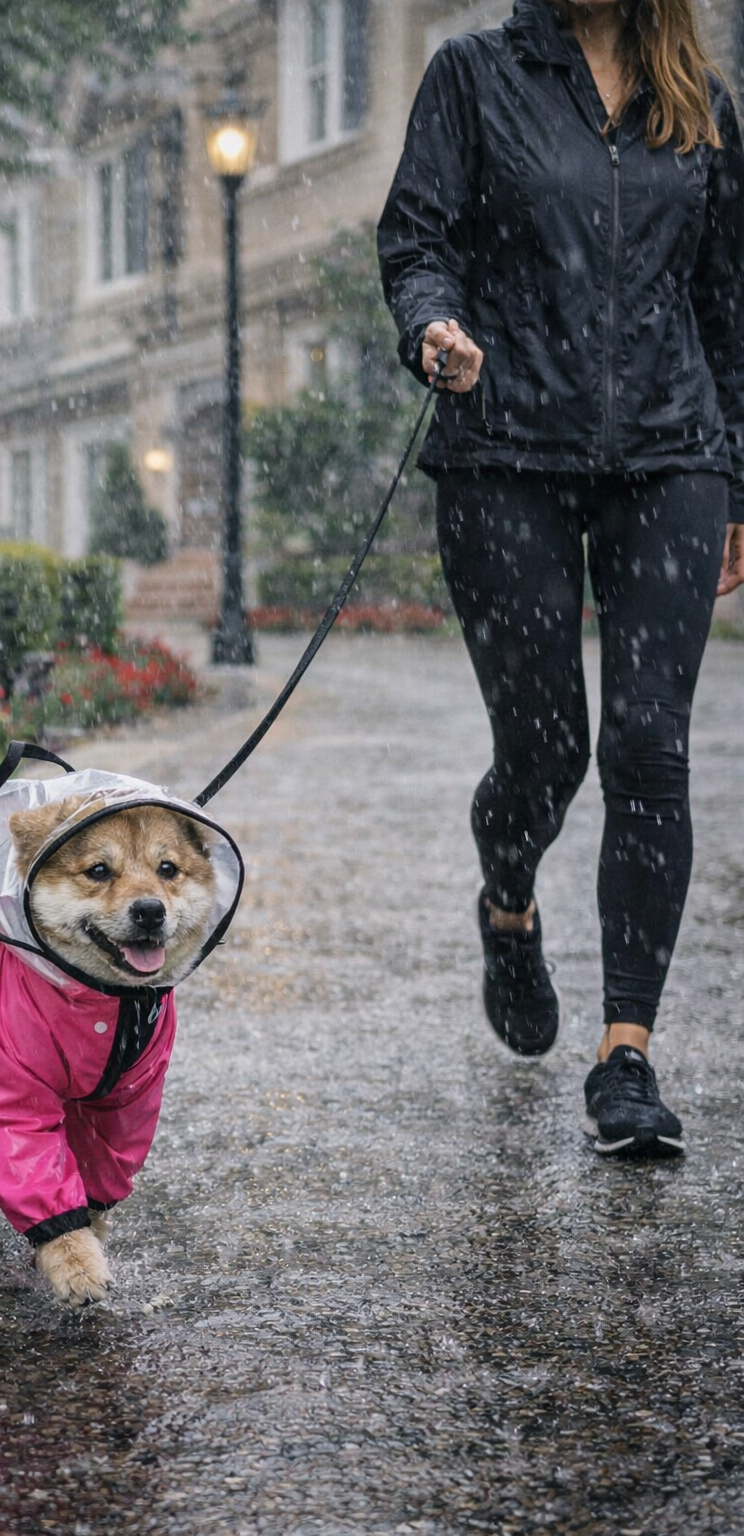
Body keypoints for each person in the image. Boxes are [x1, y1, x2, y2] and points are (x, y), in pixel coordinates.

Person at [377, 0, 744, 1156]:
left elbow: (726, 308)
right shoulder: (474, 75)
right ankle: (508, 899)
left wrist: (736, 470)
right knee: (545, 751)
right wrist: (432, 320)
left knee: (649, 745)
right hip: (504, 456)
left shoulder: (699, 101)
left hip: (669, 455)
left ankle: (624, 1053)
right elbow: (415, 238)